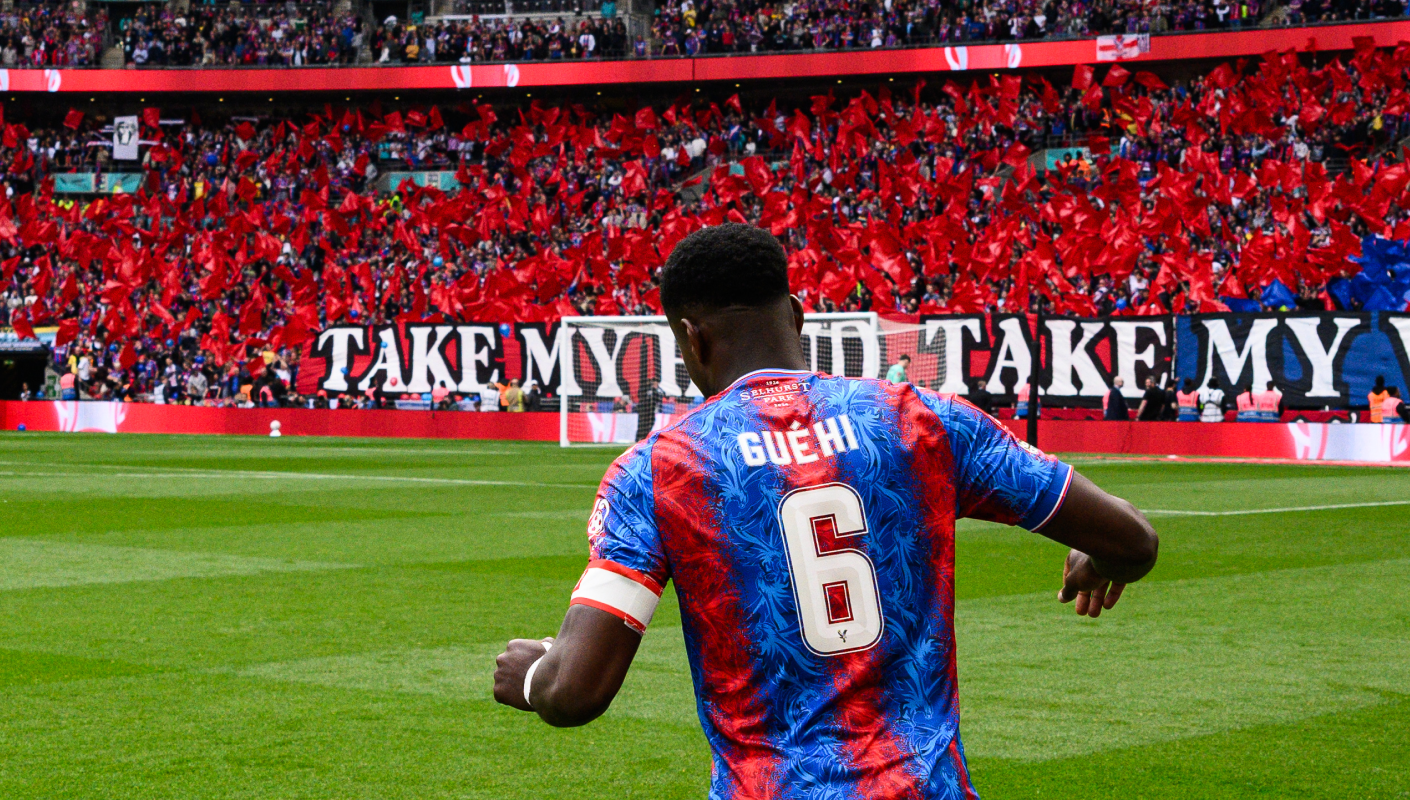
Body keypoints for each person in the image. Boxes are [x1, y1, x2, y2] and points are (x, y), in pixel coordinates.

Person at [490, 224, 1159, 798]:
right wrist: (1099, 553)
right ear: (800, 316)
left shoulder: (656, 471)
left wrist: (533, 677)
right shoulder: (921, 420)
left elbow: (576, 691)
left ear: (691, 340)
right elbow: (1134, 541)